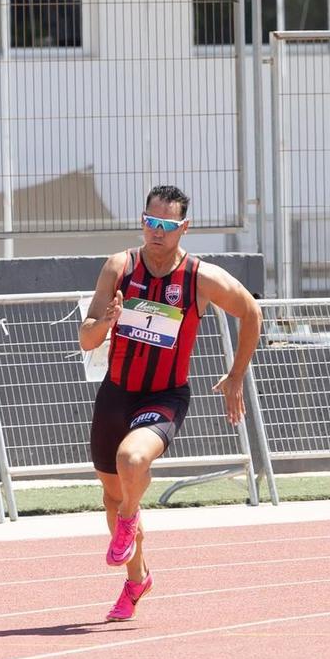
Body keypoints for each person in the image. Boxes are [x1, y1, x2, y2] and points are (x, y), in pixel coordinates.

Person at [79, 185, 262, 622]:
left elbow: (251, 311)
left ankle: (129, 519)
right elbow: (86, 338)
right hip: (117, 392)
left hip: (165, 395)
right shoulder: (119, 267)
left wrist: (237, 375)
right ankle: (137, 578)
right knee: (111, 493)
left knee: (132, 459)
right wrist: (104, 322)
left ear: (183, 228)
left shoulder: (199, 278)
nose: (156, 232)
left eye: (166, 225)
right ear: (142, 221)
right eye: (150, 222)